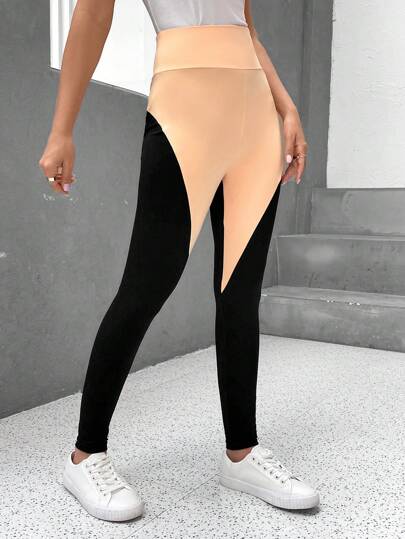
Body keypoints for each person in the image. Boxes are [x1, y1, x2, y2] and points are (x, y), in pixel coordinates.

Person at [39, 0, 319, 522]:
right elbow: (92, 15)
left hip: (257, 120)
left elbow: (246, 27)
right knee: (145, 287)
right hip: (184, 110)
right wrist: (62, 129)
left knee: (240, 292)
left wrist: (287, 108)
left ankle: (242, 453)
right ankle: (84, 455)